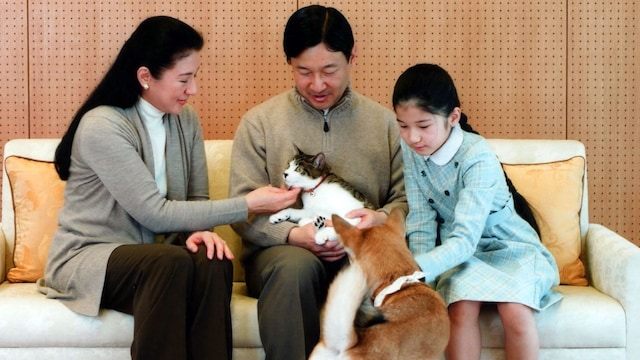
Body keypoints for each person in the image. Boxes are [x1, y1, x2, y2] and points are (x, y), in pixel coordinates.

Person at [36, 16, 300, 360]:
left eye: (195, 77)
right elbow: (154, 214)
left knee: (213, 259)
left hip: (160, 258)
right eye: (184, 79)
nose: (193, 90)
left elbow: (196, 200)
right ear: (145, 77)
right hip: (92, 257)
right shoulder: (103, 125)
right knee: (168, 262)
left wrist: (199, 232)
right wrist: (248, 204)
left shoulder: (185, 119)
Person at [227, 5, 407, 359]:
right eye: (303, 72)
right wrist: (294, 235)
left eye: (329, 70)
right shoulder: (260, 122)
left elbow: (405, 199)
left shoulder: (385, 125)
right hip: (283, 257)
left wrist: (379, 220)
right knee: (294, 269)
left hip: (362, 250)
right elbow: (241, 208)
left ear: (352, 58)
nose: (317, 85)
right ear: (289, 63)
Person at [392, 63, 562, 360]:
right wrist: (424, 285)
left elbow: (465, 240)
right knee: (459, 307)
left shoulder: (477, 155)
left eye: (423, 126)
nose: (413, 137)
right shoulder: (412, 150)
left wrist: (416, 269)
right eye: (403, 126)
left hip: (509, 246)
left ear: (453, 117)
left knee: (515, 312)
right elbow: (421, 220)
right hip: (461, 253)